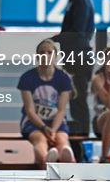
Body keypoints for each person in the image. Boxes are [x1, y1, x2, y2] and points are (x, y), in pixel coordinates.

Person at [51, 0, 95, 136]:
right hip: (73, 56)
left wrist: (56, 38)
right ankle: (79, 137)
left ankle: (82, 140)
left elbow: (78, 33)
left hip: (79, 58)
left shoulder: (81, 0)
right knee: (75, 100)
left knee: (79, 100)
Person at [17, 39, 75, 168]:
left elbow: (61, 110)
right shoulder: (27, 78)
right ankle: (46, 161)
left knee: (62, 140)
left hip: (56, 121)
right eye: (42, 53)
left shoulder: (63, 78)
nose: (46, 56)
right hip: (33, 122)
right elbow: (30, 111)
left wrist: (53, 129)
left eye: (49, 52)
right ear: (37, 56)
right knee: (40, 140)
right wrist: (44, 128)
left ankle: (67, 158)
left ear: (55, 56)